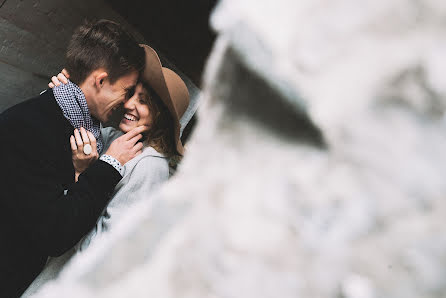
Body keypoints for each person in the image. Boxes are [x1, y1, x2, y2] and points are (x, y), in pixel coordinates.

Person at [21, 45, 190, 297]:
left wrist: (85, 177)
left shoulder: (150, 167)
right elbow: (54, 152)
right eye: (131, 93)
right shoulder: (113, 136)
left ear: (160, 118)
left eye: (143, 102)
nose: (129, 103)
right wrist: (63, 94)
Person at [0, 19, 146, 297]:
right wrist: (108, 166)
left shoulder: (73, 120)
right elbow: (55, 234)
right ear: (101, 80)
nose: (127, 103)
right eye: (126, 91)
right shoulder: (27, 128)